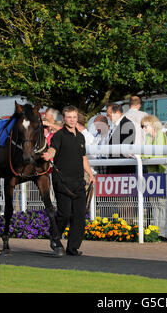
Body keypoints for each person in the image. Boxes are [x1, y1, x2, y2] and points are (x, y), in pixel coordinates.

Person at [42, 106, 95, 256]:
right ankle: (55, 237)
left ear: (77, 118)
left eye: (74, 117)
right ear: (64, 119)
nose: (72, 120)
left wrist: (90, 174)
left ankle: (73, 248)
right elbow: (53, 149)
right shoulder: (58, 136)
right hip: (62, 180)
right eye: (69, 117)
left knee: (79, 216)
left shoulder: (81, 137)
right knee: (64, 213)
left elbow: (83, 157)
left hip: (78, 181)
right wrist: (48, 155)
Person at [107, 103, 136, 174]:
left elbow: (125, 149)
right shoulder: (115, 126)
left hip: (123, 169)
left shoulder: (127, 124)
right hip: (115, 167)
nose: (108, 118)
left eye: (109, 115)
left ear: (117, 113)